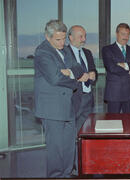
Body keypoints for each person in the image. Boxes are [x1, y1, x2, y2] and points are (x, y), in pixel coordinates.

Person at [34, 20, 89, 177]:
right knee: (55, 149)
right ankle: (56, 176)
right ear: (47, 37)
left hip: (67, 105)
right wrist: (73, 77)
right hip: (52, 108)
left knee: (68, 146)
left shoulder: (64, 50)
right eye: (58, 39)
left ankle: (66, 174)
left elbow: (78, 67)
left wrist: (68, 72)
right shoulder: (42, 52)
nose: (62, 43)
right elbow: (55, 78)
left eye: (64, 39)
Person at [102, 23, 130, 113]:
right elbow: (112, 68)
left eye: (128, 34)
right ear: (117, 34)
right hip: (114, 93)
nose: (126, 37)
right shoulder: (107, 49)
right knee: (113, 123)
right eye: (123, 34)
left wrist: (125, 65)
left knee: (129, 123)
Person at [68, 25, 97, 132]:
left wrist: (93, 75)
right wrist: (78, 78)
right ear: (71, 37)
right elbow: (63, 75)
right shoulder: (64, 53)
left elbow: (93, 70)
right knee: (71, 131)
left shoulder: (87, 53)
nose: (84, 39)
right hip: (73, 99)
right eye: (80, 36)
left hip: (88, 98)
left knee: (85, 130)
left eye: (85, 36)